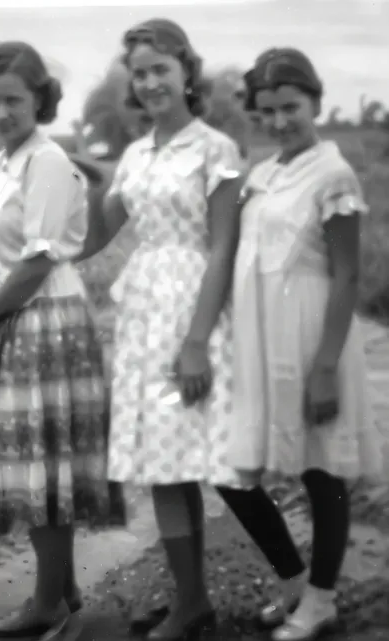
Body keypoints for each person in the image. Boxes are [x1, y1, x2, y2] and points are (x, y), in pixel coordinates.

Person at [71, 19, 316, 641]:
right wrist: (75, 187)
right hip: (142, 315)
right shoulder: (135, 154)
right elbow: (97, 236)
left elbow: (223, 246)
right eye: (141, 72)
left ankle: (297, 582)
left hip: (196, 313)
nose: (151, 81)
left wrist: (196, 341)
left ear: (186, 72)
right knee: (165, 465)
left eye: (161, 68)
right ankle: (191, 603)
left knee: (220, 460)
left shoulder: (217, 150)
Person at [225, 48, 384, 641]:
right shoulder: (263, 174)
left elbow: (347, 276)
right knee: (230, 466)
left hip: (313, 341)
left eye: (290, 107)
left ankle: (320, 601)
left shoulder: (333, 174)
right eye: (266, 111)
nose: (280, 121)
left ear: (315, 101)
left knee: (322, 469)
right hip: (258, 341)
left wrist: (324, 367)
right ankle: (292, 580)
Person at [0, 41, 108, 639]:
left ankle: (47, 603)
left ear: (39, 99)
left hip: (48, 317)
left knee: (41, 464)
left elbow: (37, 262)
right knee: (30, 461)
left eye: (13, 100)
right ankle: (61, 588)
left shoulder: (47, 161)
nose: (0, 112)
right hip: (6, 314)